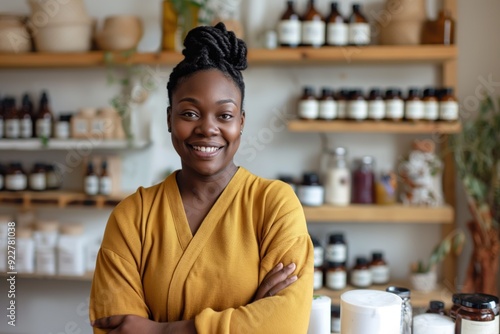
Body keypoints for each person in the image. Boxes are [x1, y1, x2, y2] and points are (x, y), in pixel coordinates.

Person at [89, 22, 314, 334]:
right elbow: (114, 328)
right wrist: (248, 316)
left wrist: (159, 330)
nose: (207, 128)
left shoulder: (274, 205)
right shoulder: (132, 217)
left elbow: (285, 325)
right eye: (190, 113)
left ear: (241, 122)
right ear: (169, 118)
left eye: (224, 115)